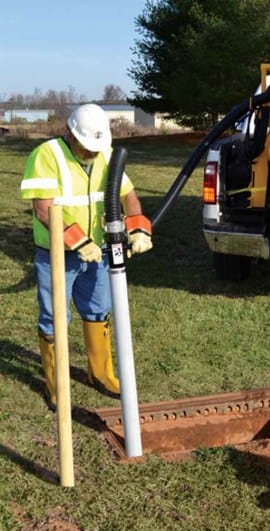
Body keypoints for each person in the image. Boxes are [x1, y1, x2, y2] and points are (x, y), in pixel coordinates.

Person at [21, 103, 153, 411]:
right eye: (86, 146)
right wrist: (77, 241)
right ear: (70, 133)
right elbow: (43, 209)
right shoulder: (47, 155)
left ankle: (101, 374)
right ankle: (57, 386)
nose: (92, 152)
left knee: (98, 309)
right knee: (55, 318)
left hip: (100, 251)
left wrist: (138, 228)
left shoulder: (106, 153)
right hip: (58, 253)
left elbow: (128, 195)